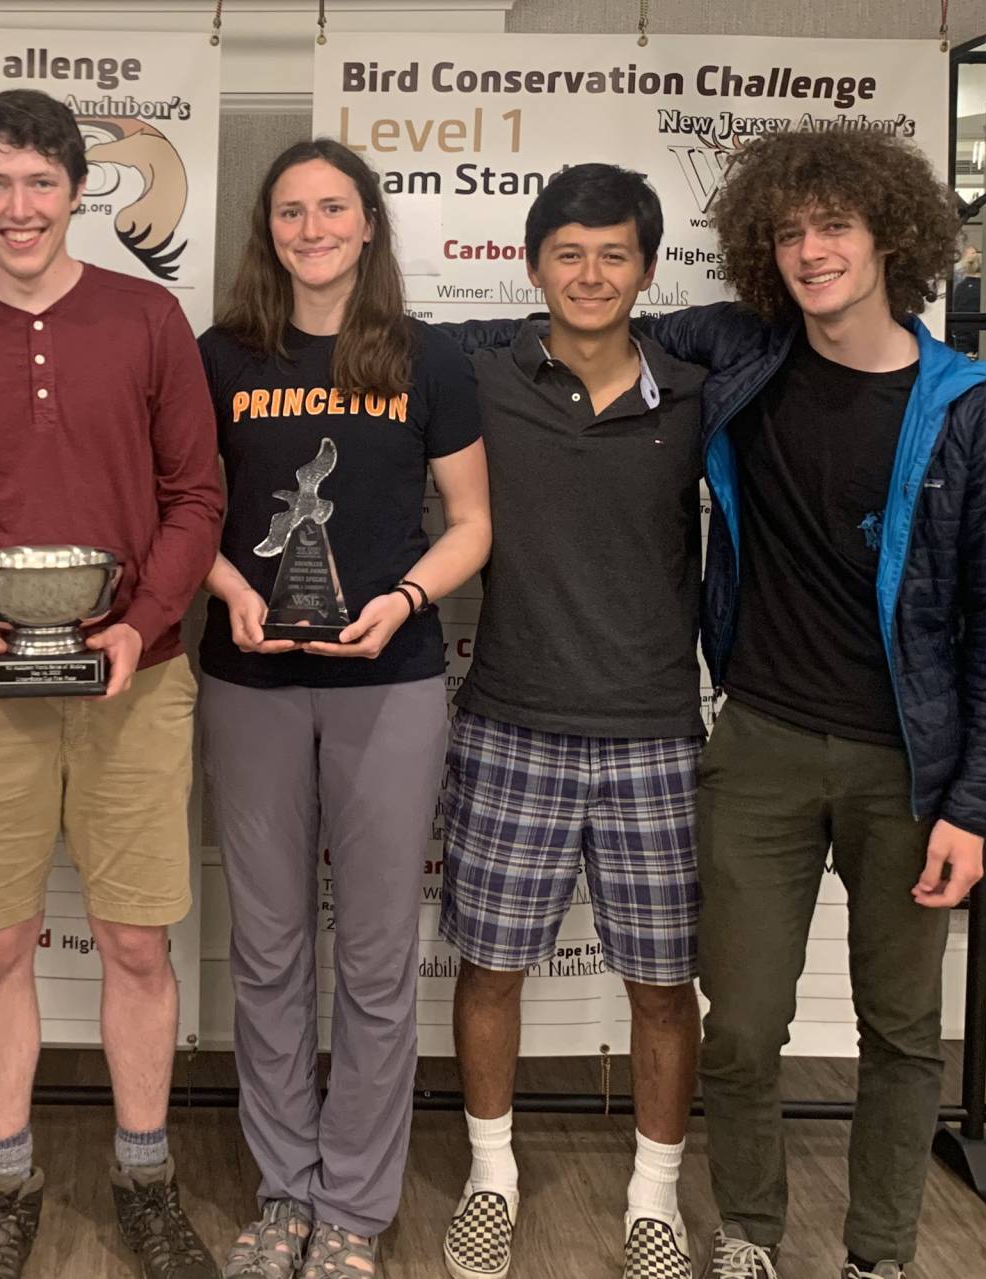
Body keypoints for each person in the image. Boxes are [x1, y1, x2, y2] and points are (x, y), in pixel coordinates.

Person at [634, 129, 986, 1279]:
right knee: (746, 1028)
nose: (812, 251)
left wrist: (977, 808)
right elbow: (607, 325)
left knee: (903, 1033)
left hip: (910, 771)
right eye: (790, 232)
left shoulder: (975, 418)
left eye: (835, 227)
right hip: (759, 743)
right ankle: (750, 1236)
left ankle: (879, 1255)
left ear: (892, 239)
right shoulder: (743, 357)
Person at [0, 89, 224, 1279]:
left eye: (40, 183)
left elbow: (196, 498)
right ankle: (6, 1184)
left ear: (77, 191)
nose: (18, 208)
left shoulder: (149, 318)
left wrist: (141, 625)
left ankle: (146, 1177)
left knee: (135, 944)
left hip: (139, 679)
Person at [197, 138, 491, 1279]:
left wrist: (406, 597)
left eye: (333, 208)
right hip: (252, 680)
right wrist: (225, 588)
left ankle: (356, 1207)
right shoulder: (219, 355)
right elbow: (187, 507)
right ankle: (284, 1193)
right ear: (266, 231)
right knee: (267, 951)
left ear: (369, 223)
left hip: (393, 677)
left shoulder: (431, 355)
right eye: (289, 212)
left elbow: (470, 519)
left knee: (374, 957)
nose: (312, 228)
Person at [435, 165, 707, 1279]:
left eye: (614, 255)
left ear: (646, 270)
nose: (590, 275)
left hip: (657, 733)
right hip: (510, 724)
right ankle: (490, 1175)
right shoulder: (477, 375)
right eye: (568, 253)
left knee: (662, 985)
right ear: (532, 262)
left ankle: (655, 1198)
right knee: (490, 968)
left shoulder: (697, 392)